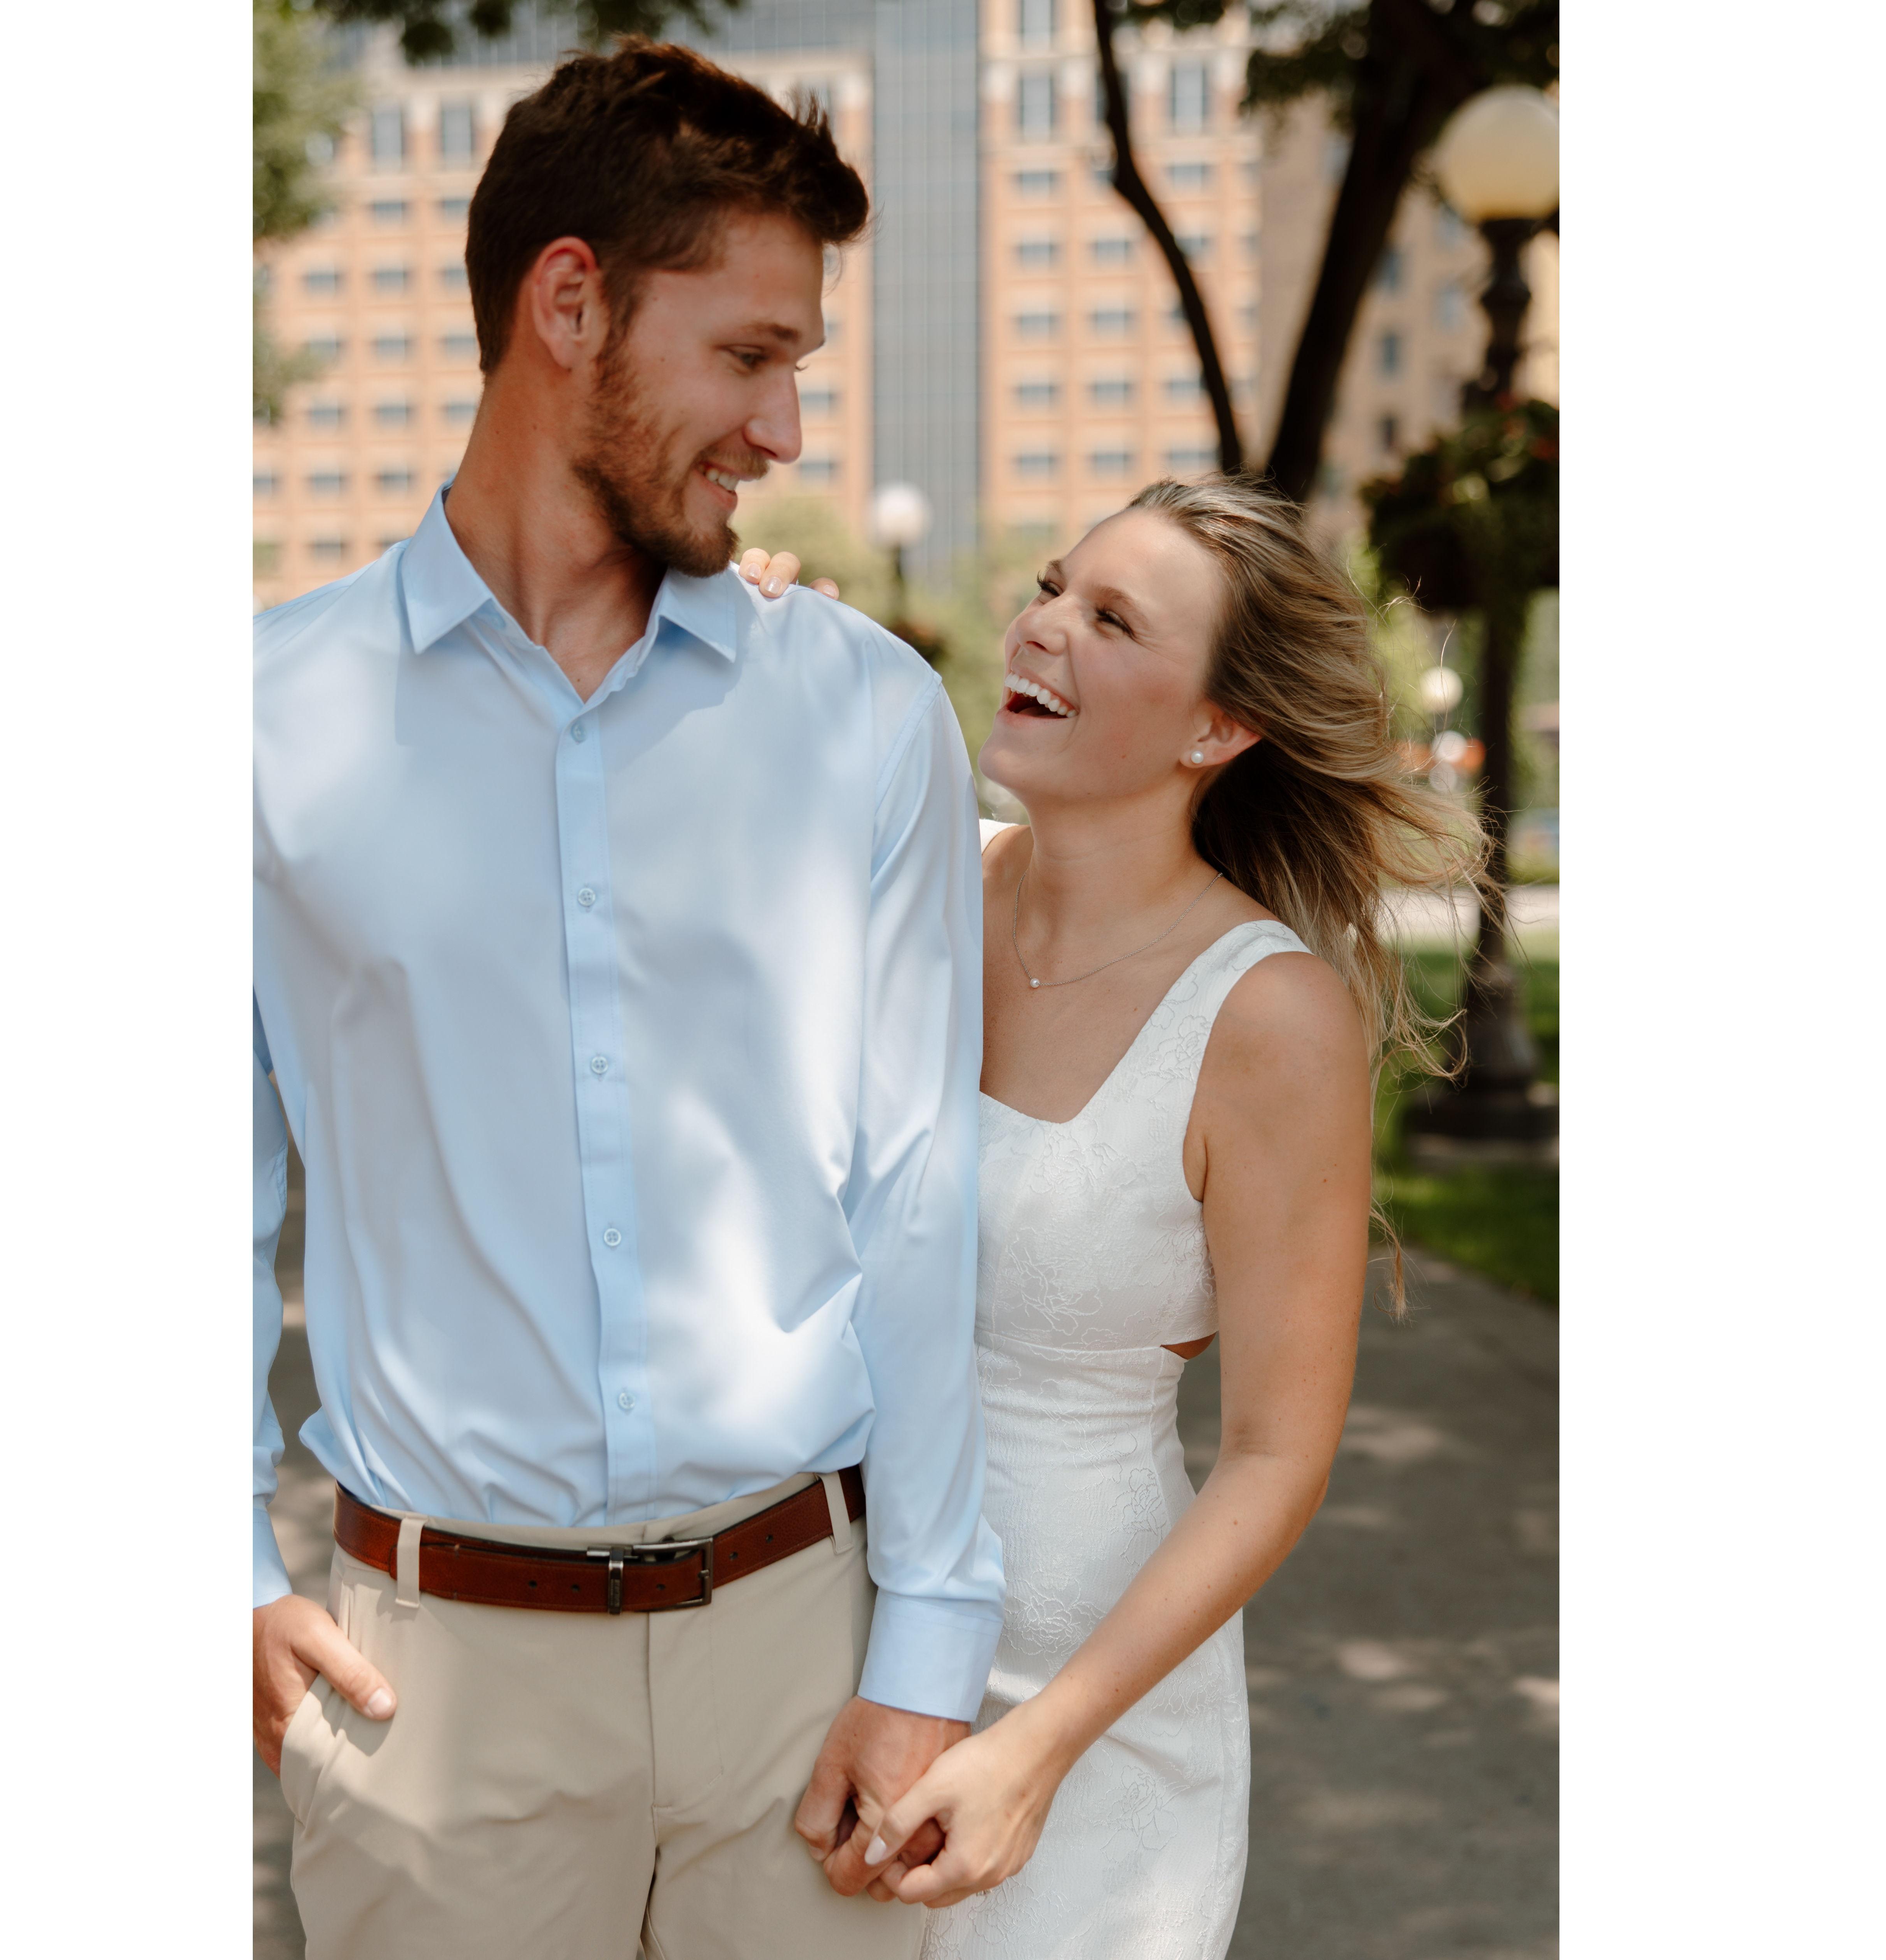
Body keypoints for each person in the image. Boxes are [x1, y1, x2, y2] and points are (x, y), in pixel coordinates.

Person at [252, 45, 1003, 1960]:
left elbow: (917, 1197)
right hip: (433, 1696)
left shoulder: (861, 715)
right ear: (568, 303)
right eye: (747, 356)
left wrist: (927, 1639)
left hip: (801, 1661)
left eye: (798, 368)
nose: (783, 429)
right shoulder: (260, 725)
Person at [754, 477, 1476, 1955]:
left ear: (1218, 729)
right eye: (1051, 588)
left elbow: (1275, 1457)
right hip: (800, 1646)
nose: (1042, 628)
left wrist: (1041, 1749)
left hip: (1079, 1711)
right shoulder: (910, 880)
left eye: (1114, 620)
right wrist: (731, 668)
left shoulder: (1268, 1017)